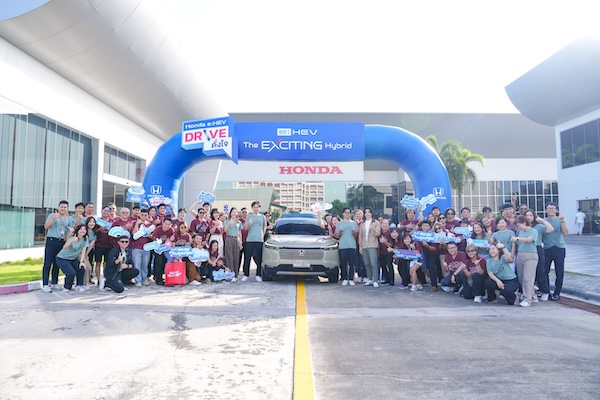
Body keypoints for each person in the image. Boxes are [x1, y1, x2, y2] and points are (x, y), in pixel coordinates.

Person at [42, 200, 75, 293]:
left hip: (61, 242)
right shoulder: (52, 215)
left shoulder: (68, 219)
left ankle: (54, 282)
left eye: (65, 207)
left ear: (67, 208)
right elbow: (46, 227)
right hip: (51, 241)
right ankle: (45, 284)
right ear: (58, 207)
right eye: (61, 207)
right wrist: (53, 219)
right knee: (48, 263)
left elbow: (68, 233)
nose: (63, 209)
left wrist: (70, 233)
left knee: (57, 263)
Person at [525, 209, 554, 301]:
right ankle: (528, 292)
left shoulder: (539, 226)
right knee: (527, 272)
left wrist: (542, 220)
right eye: (526, 215)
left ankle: (545, 291)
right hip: (526, 250)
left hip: (537, 248)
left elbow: (550, 229)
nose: (528, 217)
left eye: (530, 215)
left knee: (540, 271)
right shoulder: (522, 226)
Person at [511, 215, 539, 307]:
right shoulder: (520, 232)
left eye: (519, 225)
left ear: (524, 223)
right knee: (522, 278)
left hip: (531, 255)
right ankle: (533, 296)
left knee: (528, 278)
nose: (519, 227)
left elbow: (530, 240)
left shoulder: (533, 231)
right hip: (520, 255)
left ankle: (527, 299)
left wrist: (518, 238)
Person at [543, 202, 568, 301]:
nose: (551, 210)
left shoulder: (560, 220)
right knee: (545, 271)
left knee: (559, 271)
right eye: (549, 208)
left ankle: (557, 293)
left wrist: (562, 221)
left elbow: (565, 233)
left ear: (556, 210)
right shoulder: (544, 222)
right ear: (545, 210)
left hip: (559, 248)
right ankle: (547, 291)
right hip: (547, 248)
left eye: (553, 208)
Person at [55, 224, 89, 292]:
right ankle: (67, 287)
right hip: (62, 258)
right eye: (81, 229)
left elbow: (83, 250)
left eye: (84, 229)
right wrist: (71, 241)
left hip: (72, 259)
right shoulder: (72, 238)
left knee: (81, 268)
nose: (83, 231)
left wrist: (81, 261)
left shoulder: (85, 238)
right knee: (71, 273)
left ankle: (79, 285)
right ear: (77, 231)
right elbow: (64, 248)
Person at [242, 201, 267, 282]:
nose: (256, 209)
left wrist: (262, 235)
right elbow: (245, 228)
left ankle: (258, 275)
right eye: (254, 207)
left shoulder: (262, 217)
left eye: (257, 207)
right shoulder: (249, 217)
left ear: (259, 208)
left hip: (259, 239)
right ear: (252, 208)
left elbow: (264, 227)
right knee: (247, 257)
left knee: (259, 258)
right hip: (250, 239)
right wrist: (249, 224)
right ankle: (246, 274)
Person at [335, 207, 359, 286]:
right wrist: (340, 232)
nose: (347, 214)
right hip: (342, 246)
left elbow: (356, 236)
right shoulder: (339, 224)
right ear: (343, 214)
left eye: (348, 213)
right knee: (343, 263)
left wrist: (353, 232)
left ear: (350, 214)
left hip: (352, 245)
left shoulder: (354, 223)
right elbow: (337, 236)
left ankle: (351, 278)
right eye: (346, 213)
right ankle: (345, 278)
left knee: (352, 263)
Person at [358, 207, 381, 288]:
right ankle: (370, 279)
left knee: (373, 263)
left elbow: (378, 233)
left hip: (373, 245)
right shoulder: (363, 224)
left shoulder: (376, 222)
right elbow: (360, 236)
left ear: (371, 213)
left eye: (369, 212)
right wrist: (360, 246)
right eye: (366, 212)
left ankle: (375, 280)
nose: (367, 214)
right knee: (367, 264)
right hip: (364, 246)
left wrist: (373, 229)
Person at [132, 208, 153, 287]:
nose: (144, 216)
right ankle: (138, 280)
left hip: (146, 247)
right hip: (137, 247)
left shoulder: (149, 225)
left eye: (145, 215)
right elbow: (134, 234)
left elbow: (152, 236)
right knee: (137, 264)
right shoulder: (134, 222)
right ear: (139, 215)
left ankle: (144, 279)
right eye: (142, 215)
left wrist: (150, 235)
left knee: (145, 265)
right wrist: (137, 224)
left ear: (147, 216)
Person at [418, 220, 441, 292]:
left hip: (432, 254)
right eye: (423, 225)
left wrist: (427, 245)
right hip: (422, 253)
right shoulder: (419, 234)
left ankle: (434, 285)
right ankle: (422, 281)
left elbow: (435, 249)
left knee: (431, 267)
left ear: (430, 227)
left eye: (426, 225)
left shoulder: (433, 235)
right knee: (419, 265)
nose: (425, 227)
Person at [150, 217, 174, 286]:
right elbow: (154, 240)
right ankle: (158, 279)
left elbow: (172, 239)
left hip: (166, 248)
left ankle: (160, 276)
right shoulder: (157, 229)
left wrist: (169, 240)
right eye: (166, 224)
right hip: (157, 247)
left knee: (164, 261)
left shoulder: (171, 230)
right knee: (159, 261)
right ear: (163, 223)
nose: (167, 226)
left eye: (169, 224)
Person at [95, 206, 113, 290]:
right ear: (101, 211)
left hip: (109, 245)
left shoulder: (112, 222)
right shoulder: (97, 221)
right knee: (98, 263)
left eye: (107, 211)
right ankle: (98, 279)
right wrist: (99, 229)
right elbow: (93, 231)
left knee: (106, 263)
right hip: (99, 245)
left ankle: (105, 279)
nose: (106, 212)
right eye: (104, 210)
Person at [223, 208, 243, 282]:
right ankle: (230, 274)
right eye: (232, 212)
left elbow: (240, 232)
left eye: (235, 212)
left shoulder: (239, 222)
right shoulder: (226, 221)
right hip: (229, 238)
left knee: (236, 257)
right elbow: (225, 231)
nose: (234, 213)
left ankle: (235, 274)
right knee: (229, 257)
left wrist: (240, 243)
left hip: (236, 239)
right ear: (230, 213)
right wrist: (229, 224)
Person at [354, 209, 367, 282]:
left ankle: (365, 275)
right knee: (357, 261)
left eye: (360, 214)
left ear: (362, 215)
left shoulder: (365, 223)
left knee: (363, 260)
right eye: (357, 214)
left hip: (363, 244)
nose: (358, 215)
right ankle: (359, 275)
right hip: (355, 244)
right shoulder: (353, 223)